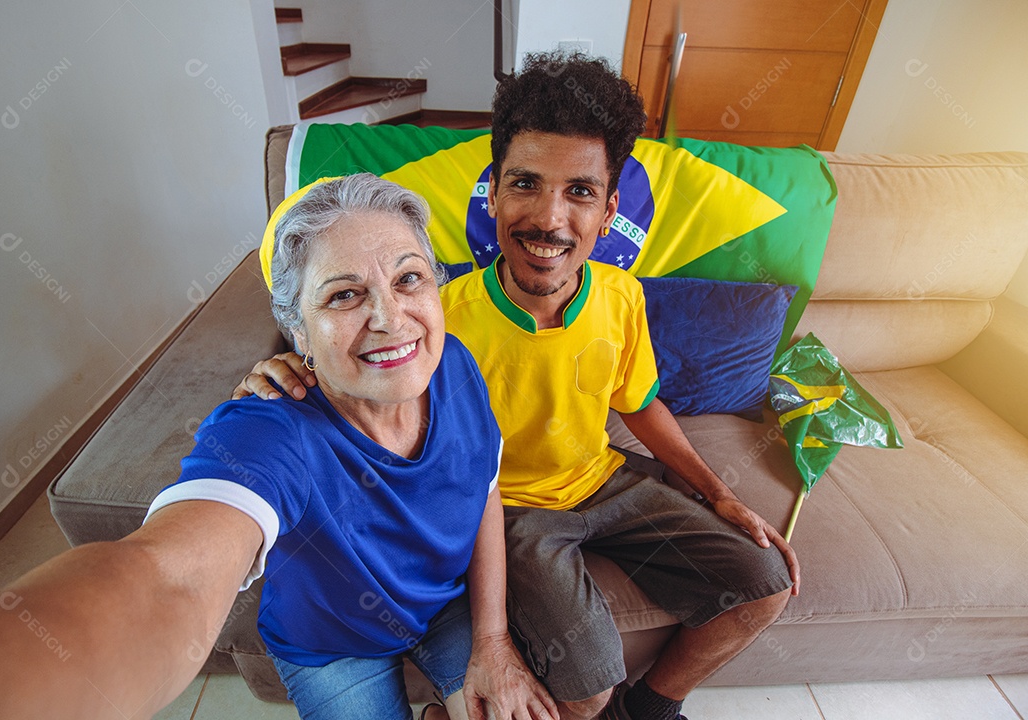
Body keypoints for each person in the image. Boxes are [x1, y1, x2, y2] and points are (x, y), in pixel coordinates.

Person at [238, 52, 801, 720]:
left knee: (766, 584)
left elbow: (641, 403)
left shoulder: (621, 296)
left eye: (580, 192)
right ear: (494, 193)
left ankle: (650, 708)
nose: (549, 219)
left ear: (609, 208)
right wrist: (289, 369)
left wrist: (719, 494)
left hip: (606, 477)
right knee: (586, 686)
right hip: (515, 512)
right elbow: (358, 371)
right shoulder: (440, 316)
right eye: (526, 184)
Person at [0, 174, 556, 720]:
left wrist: (494, 639)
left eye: (408, 279)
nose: (391, 317)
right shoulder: (270, 429)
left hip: (444, 611)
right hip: (330, 648)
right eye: (344, 295)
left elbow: (484, 490)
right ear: (298, 332)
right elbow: (169, 580)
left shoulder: (454, 365)